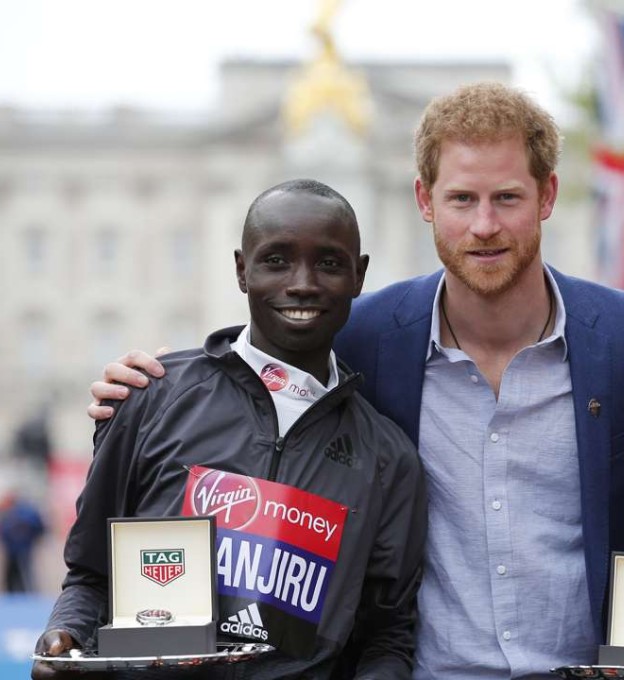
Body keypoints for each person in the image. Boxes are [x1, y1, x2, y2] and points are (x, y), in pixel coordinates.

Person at [88, 83, 624, 679]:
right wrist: (141, 387)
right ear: (424, 203)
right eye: (462, 198)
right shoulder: (365, 334)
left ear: (545, 197)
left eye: (507, 198)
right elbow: (257, 365)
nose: (484, 225)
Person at [34, 180, 426, 680]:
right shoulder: (150, 398)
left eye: (328, 263)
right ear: (242, 270)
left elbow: (387, 635)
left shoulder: (389, 458)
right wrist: (63, 638)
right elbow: (90, 575)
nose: (302, 283)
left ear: (358, 275)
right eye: (277, 260)